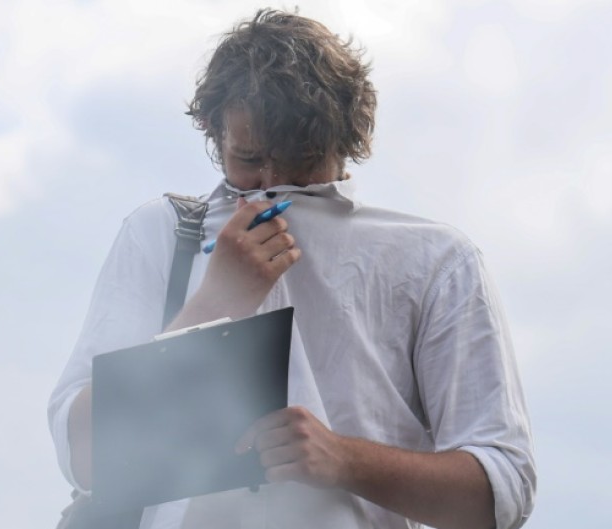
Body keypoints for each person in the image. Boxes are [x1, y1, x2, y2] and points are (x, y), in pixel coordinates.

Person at [49, 9, 535, 529]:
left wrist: (344, 460)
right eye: (250, 156)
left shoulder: (435, 260)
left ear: (345, 140)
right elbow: (84, 457)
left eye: (301, 159)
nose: (269, 182)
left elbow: (501, 493)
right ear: (212, 129)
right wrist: (217, 303)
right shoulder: (163, 233)